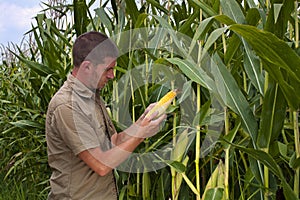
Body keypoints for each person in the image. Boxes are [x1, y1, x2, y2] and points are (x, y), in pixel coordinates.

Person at [45, 31, 166, 200]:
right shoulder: (68, 106)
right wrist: (140, 135)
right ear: (87, 67)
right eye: (108, 69)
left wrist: (143, 121)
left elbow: (113, 142)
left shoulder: (91, 96)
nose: (112, 75)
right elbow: (101, 164)